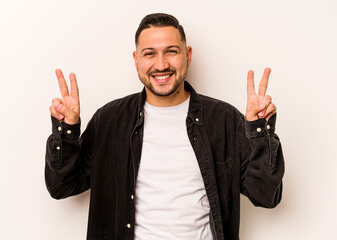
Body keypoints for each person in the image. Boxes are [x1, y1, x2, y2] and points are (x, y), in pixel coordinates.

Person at [45, 13, 284, 240]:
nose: (161, 65)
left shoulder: (224, 120)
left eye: (171, 51)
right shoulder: (109, 120)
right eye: (150, 53)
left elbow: (265, 195)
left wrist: (258, 130)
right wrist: (67, 130)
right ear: (136, 59)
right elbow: (62, 186)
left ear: (188, 55)